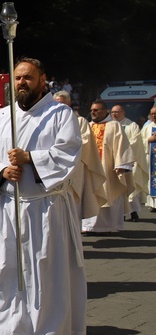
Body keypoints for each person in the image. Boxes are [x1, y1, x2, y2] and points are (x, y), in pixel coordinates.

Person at [0, 57, 85, 335]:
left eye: (28, 78)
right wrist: (3, 170)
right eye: (18, 78)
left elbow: (68, 152)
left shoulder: (60, 114)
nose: (22, 83)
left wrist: (30, 158)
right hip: (8, 206)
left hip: (43, 207)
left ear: (42, 80)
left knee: (43, 271)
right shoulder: (2, 117)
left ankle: (48, 333)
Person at [81, 101, 134, 234]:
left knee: (109, 193)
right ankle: (89, 226)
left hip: (108, 169)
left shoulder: (114, 126)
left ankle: (108, 226)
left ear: (105, 111)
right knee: (90, 195)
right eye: (92, 110)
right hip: (91, 170)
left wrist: (122, 164)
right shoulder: (87, 126)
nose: (93, 112)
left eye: (96, 110)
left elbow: (122, 145)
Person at [53, 91, 107, 221]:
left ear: (69, 103)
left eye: (61, 103)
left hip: (74, 166)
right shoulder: (50, 122)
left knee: (72, 200)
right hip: (54, 165)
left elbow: (85, 141)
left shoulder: (80, 121)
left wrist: (63, 146)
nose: (58, 106)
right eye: (55, 103)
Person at [110, 105, 149, 222]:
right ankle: (120, 213)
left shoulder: (132, 126)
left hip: (129, 161)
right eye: (112, 112)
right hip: (113, 161)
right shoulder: (109, 126)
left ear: (123, 112)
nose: (114, 114)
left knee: (131, 188)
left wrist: (121, 149)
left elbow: (136, 142)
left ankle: (133, 212)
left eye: (117, 112)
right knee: (117, 188)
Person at [141, 107, 156, 211]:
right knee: (152, 180)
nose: (154, 116)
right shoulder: (147, 127)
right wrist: (149, 140)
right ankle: (153, 205)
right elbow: (139, 142)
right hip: (151, 159)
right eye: (152, 114)